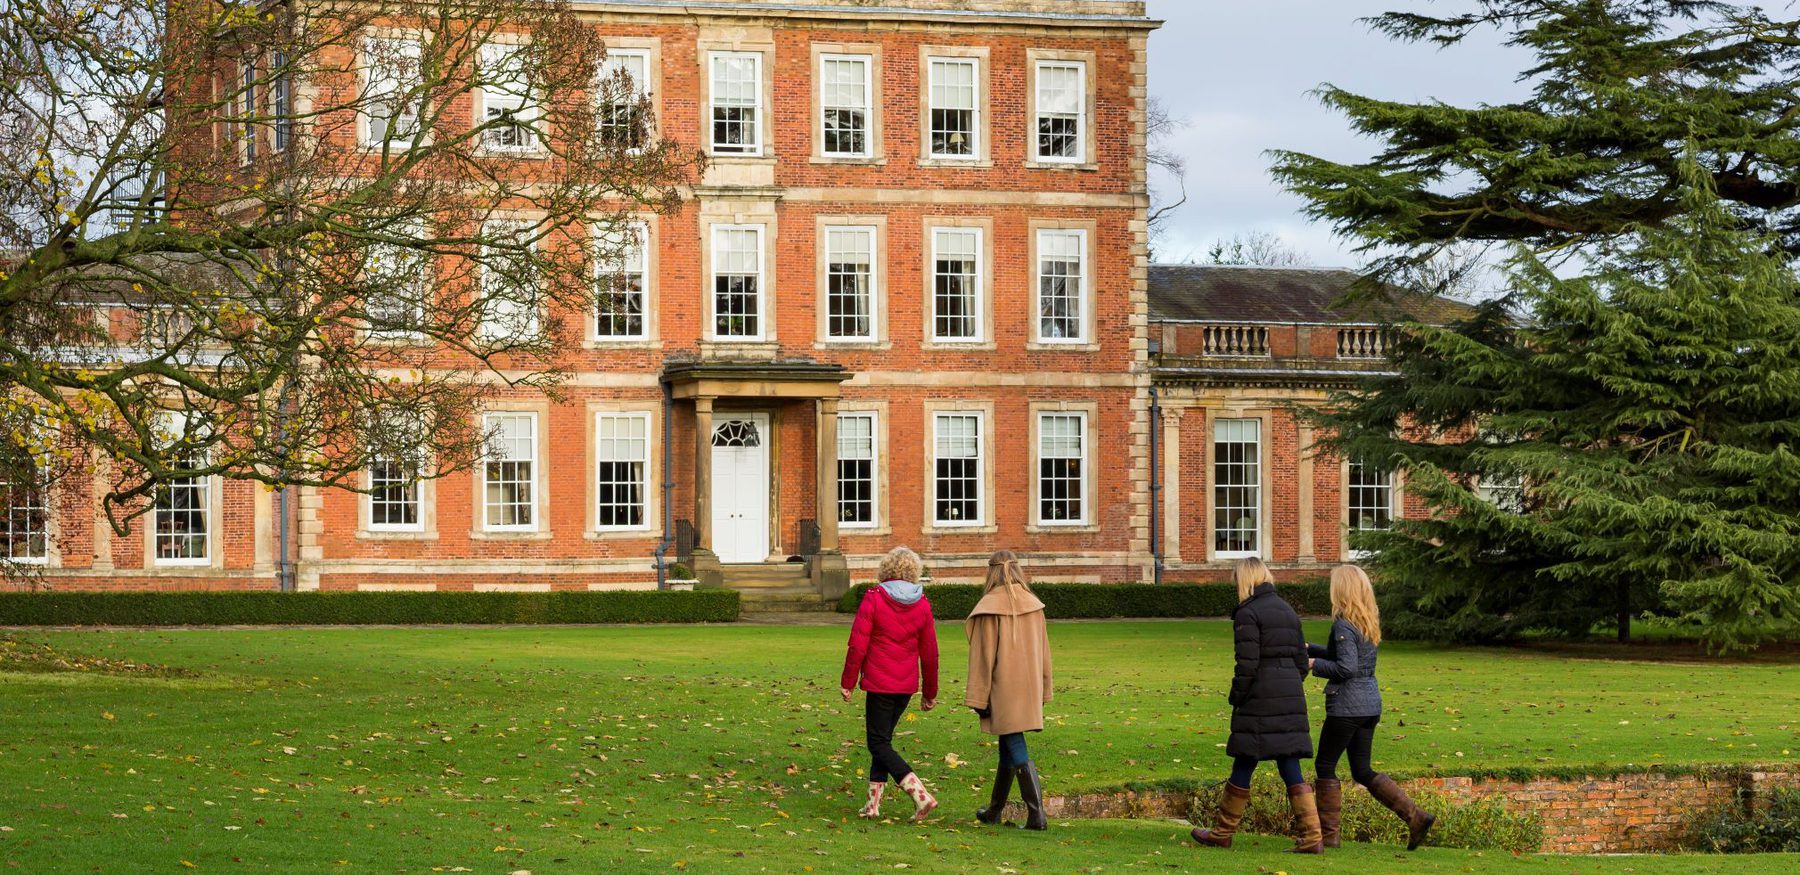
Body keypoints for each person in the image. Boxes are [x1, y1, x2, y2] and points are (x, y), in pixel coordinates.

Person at [1192, 557, 1322, 853]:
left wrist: (1237, 696)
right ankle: (1313, 836)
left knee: (1246, 756)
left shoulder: (1248, 613)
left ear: (1244, 580)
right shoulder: (1288, 610)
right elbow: (1302, 662)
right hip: (1288, 694)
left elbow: (1247, 664)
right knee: (1286, 760)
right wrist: (1287, 684)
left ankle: (1223, 832)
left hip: (1260, 695)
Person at [1308, 564, 1434, 850]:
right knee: (1362, 770)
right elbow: (1344, 654)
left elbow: (1346, 667)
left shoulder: (1342, 623)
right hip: (1369, 704)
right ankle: (1415, 816)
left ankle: (1330, 836)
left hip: (1347, 706)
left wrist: (1314, 664)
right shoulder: (1366, 619)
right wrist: (1310, 648)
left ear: (1341, 590)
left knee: (1325, 765)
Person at [840, 546, 940, 821]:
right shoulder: (922, 604)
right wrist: (930, 692)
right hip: (905, 686)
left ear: (886, 570)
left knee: (878, 743)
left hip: (880, 683)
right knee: (882, 740)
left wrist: (848, 681)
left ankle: (920, 795)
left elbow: (857, 644)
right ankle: (872, 804)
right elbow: (930, 653)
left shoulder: (874, 598)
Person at [964, 550, 1053, 831]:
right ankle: (995, 809)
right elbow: (1045, 653)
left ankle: (1037, 813)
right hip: (1029, 685)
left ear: (991, 572)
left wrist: (978, 696)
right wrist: (1045, 688)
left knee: (1013, 740)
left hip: (1002, 687)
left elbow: (983, 657)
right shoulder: (1034, 605)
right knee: (1007, 741)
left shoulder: (989, 606)